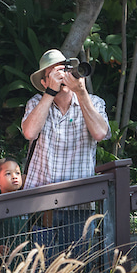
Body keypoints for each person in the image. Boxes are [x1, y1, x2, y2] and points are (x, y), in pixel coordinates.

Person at [21, 48, 111, 258]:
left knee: (78, 266)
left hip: (79, 202)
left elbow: (100, 133)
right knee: (42, 269)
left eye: (64, 70)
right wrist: (50, 93)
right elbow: (29, 132)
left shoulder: (94, 102)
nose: (62, 76)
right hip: (42, 203)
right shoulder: (36, 102)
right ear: (44, 81)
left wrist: (81, 92)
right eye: (54, 73)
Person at [0, 156, 26, 262]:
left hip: (25, 259)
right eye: (8, 174)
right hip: (1, 263)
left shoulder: (27, 202)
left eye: (17, 173)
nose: (14, 177)